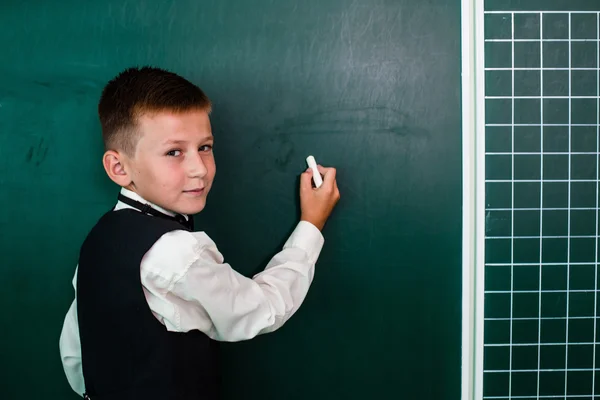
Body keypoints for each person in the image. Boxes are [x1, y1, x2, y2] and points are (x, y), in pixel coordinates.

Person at [58, 66, 340, 399]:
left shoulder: (99, 238)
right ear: (119, 168)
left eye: (205, 147)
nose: (199, 168)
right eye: (174, 152)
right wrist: (311, 224)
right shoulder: (176, 253)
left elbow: (75, 355)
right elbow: (265, 309)